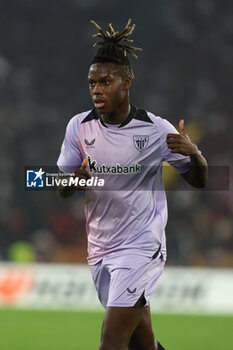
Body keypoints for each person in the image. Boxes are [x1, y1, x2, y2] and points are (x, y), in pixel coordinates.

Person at [57, 19, 208, 350]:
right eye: (92, 83)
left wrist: (194, 154)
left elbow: (198, 181)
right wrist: (73, 179)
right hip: (100, 250)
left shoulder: (155, 129)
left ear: (126, 82)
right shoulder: (78, 128)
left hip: (141, 247)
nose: (97, 89)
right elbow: (60, 185)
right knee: (143, 343)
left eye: (105, 82)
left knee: (112, 341)